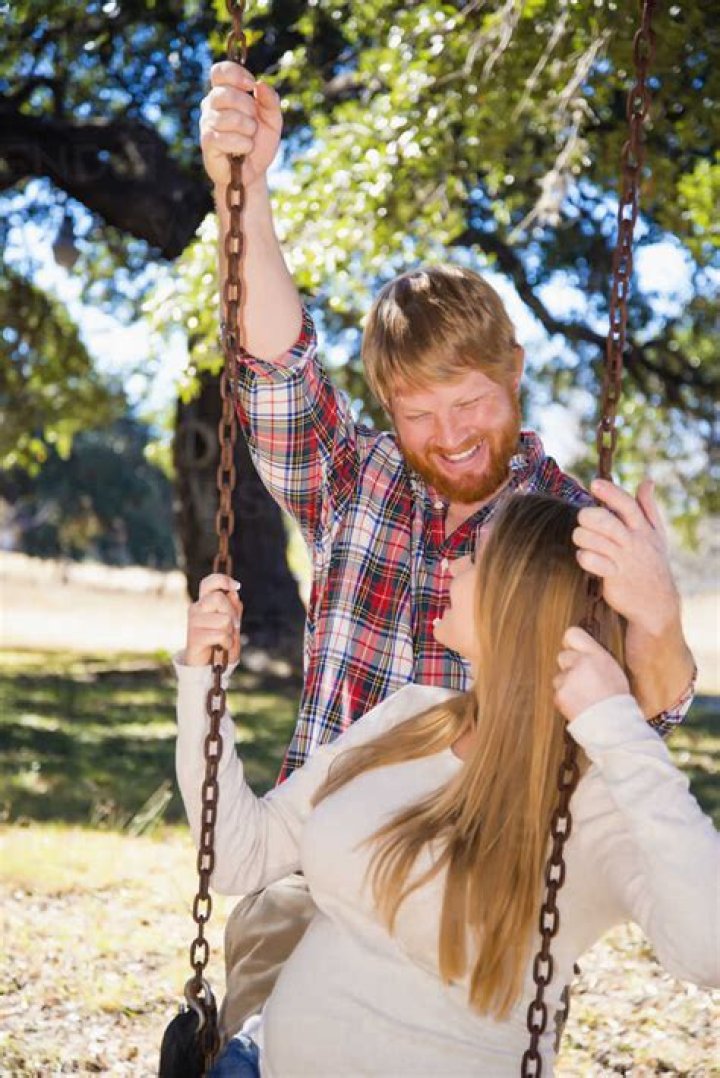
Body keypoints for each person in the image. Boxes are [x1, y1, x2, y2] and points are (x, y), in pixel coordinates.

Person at [197, 62, 696, 1037]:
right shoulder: (356, 481)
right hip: (314, 881)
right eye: (421, 413)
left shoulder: (567, 525)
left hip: (486, 909)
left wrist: (660, 617)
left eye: (471, 400)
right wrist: (246, 193)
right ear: (388, 409)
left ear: (515, 371)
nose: (453, 433)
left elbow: (651, 710)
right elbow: (276, 368)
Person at [176, 493, 719, 1077]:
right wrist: (202, 683)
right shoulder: (414, 717)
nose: (451, 566)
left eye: (476, 560)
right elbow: (238, 856)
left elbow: (707, 950)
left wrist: (617, 723)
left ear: (520, 603)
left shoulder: (595, 795)